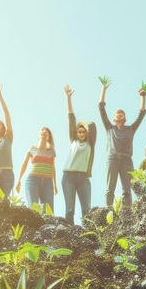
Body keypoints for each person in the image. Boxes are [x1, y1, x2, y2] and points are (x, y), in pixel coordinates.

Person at [99, 79, 146, 208]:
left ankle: (127, 211)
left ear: (125, 118)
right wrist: (104, 89)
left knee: (127, 188)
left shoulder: (130, 128)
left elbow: (141, 114)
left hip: (126, 160)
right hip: (112, 158)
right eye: (117, 113)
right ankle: (108, 210)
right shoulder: (110, 128)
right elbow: (101, 109)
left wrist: (143, 96)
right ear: (114, 118)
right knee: (110, 187)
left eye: (122, 113)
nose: (119, 114)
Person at [62, 85, 97, 224]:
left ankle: (87, 234)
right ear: (76, 133)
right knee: (70, 209)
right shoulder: (73, 140)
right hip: (68, 176)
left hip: (83, 178)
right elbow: (71, 118)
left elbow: (93, 125)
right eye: (79, 132)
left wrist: (82, 123)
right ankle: (68, 232)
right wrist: (68, 98)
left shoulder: (90, 143)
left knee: (87, 210)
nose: (81, 134)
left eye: (83, 132)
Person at [15, 127, 57, 211]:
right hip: (33, 180)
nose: (44, 134)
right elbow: (24, 165)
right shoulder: (32, 148)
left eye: (46, 134)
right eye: (42, 133)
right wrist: (18, 180)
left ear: (48, 137)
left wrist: (55, 185)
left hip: (48, 182)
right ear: (38, 136)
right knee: (34, 209)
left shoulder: (51, 150)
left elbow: (53, 168)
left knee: (49, 211)